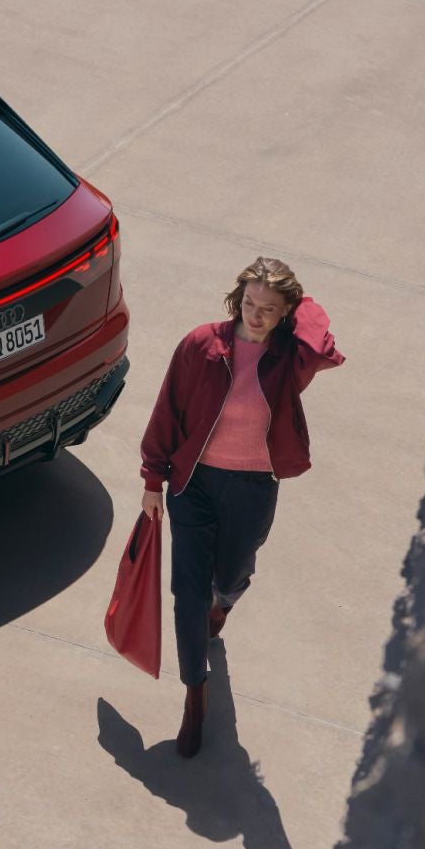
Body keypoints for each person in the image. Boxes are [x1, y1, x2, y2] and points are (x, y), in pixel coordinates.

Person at [139, 258, 343, 757]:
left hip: (253, 486)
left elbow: (324, 347)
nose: (254, 315)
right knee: (186, 591)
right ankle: (194, 695)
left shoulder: (289, 357)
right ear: (237, 298)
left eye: (268, 309)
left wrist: (299, 307)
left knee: (232, 574)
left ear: (285, 313)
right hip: (194, 483)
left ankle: (222, 604)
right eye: (249, 303)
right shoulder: (201, 345)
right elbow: (168, 407)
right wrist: (153, 478)